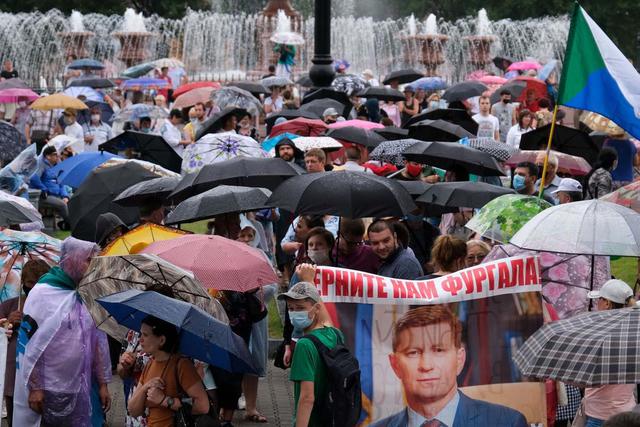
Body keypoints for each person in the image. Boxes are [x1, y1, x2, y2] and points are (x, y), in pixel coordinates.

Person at [371, 305, 528, 427]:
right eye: (413, 352)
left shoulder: (508, 423)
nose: (426, 365)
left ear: (459, 359)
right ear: (395, 364)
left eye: (439, 350)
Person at [13, 237, 112, 427]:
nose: (93, 266)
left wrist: (103, 383)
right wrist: (35, 387)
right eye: (88, 260)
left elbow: (98, 341)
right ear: (72, 259)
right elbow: (28, 344)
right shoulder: (42, 293)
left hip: (83, 385)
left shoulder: (87, 293)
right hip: (49, 390)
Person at [278, 273, 345, 427]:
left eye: (300, 308)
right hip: (331, 417)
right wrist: (309, 280)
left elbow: (307, 398)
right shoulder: (335, 334)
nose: (294, 313)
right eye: (291, 308)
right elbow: (326, 319)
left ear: (316, 309)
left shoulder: (304, 345)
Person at [127, 315, 210, 426]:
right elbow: (133, 411)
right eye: (141, 334)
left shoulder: (182, 365)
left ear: (161, 340)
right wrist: (145, 387)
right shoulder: (150, 364)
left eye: (145, 335)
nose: (140, 339)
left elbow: (203, 406)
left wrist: (165, 400)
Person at [0, 259, 51, 426]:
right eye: (30, 282)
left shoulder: (53, 306)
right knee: (15, 416)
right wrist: (8, 322)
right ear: (23, 282)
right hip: (13, 374)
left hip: (44, 373)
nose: (34, 287)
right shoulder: (10, 305)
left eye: (39, 282)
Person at [236, 217, 277, 423]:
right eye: (242, 235)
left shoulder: (262, 257)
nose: (246, 239)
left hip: (255, 318)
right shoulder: (229, 256)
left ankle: (251, 406)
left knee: (252, 360)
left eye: (250, 235)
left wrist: (254, 291)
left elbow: (272, 285)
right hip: (235, 317)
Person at [583, 279, 637, 426]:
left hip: (599, 415)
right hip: (627, 414)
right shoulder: (635, 331)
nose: (596, 304)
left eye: (599, 299)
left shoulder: (597, 335)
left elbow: (582, 377)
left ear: (607, 303)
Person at [29, 145, 70, 229]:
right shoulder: (41, 164)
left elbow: (61, 183)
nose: (57, 156)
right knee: (62, 204)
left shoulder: (57, 165)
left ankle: (67, 223)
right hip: (45, 196)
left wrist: (65, 196)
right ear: (48, 156)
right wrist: (44, 189)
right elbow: (34, 178)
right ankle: (72, 224)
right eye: (55, 154)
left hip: (57, 194)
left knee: (71, 200)